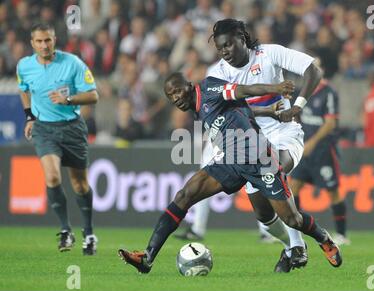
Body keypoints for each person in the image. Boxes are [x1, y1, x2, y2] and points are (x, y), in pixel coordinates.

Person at [118, 73, 342, 274]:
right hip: (230, 161)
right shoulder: (198, 109)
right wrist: (267, 111)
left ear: (188, 85)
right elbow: (242, 107)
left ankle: (324, 238)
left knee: (292, 219)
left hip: (259, 159)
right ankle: (147, 257)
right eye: (170, 96)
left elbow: (243, 90)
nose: (175, 98)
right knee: (184, 195)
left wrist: (275, 89)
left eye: (177, 90)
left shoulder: (208, 88)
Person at [176, 19, 323, 273]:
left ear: (242, 39)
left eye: (229, 45)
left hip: (283, 135)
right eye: (220, 48)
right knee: (265, 218)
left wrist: (297, 106)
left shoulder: (270, 53)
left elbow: (314, 71)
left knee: (273, 166)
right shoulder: (217, 74)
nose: (224, 51)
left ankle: (300, 246)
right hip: (248, 144)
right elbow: (229, 109)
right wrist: (266, 111)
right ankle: (291, 247)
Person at [17, 23, 99, 255]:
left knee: (79, 184)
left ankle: (89, 232)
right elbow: (23, 88)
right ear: (32, 43)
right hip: (44, 129)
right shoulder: (24, 66)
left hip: (72, 128)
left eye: (48, 40)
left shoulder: (72, 63)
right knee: (52, 177)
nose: (44, 45)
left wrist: (69, 100)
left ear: (54, 40)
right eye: (39, 41)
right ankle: (65, 230)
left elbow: (94, 95)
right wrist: (29, 117)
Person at [289, 56, 350, 246]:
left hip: (323, 150)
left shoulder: (329, 92)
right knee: (294, 188)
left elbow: (331, 123)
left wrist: (312, 143)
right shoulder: (303, 92)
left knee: (332, 191)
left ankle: (341, 235)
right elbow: (296, 116)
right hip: (304, 150)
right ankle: (295, 232)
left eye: (315, 66)